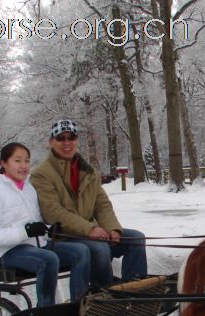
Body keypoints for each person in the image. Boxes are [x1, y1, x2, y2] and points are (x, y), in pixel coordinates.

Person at [30, 119, 147, 289]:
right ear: (51, 142)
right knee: (99, 248)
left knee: (135, 238)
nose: (67, 143)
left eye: (71, 137)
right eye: (60, 138)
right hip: (64, 238)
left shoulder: (89, 171)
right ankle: (104, 295)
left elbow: (102, 205)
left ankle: (134, 290)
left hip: (89, 234)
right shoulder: (41, 174)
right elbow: (53, 212)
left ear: (77, 140)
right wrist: (90, 229)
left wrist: (113, 228)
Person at [0, 142, 90, 305]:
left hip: (36, 245)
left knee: (81, 251)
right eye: (17, 161)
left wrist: (49, 229)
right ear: (3, 164)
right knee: (48, 259)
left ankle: (79, 307)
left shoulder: (29, 188)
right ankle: (45, 313)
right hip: (9, 252)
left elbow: (36, 223)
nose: (23, 166)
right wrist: (25, 232)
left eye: (27, 161)